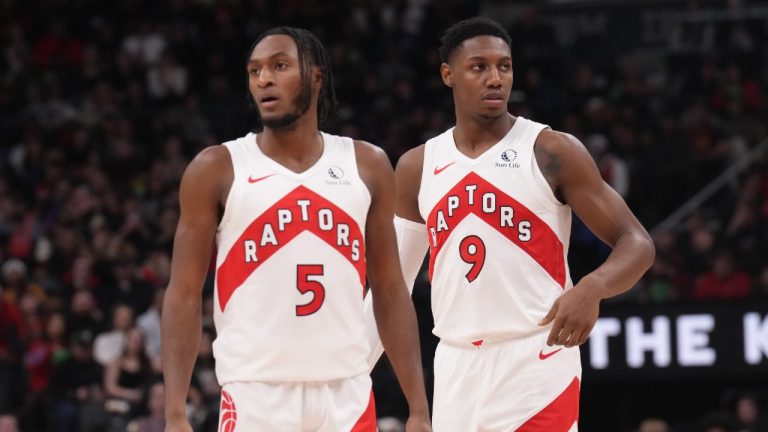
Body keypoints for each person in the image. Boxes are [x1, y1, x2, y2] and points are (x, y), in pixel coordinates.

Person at [365, 17, 655, 431]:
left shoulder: (550, 151)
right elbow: (392, 286)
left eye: (504, 66)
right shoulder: (417, 166)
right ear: (448, 74)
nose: (495, 78)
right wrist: (380, 386)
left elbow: (638, 243)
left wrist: (593, 286)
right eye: (479, 66)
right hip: (455, 364)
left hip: (536, 359)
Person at [161, 27, 431, 432]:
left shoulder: (367, 164)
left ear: (316, 77)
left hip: (347, 392)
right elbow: (182, 295)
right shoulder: (217, 167)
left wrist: (418, 409)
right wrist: (175, 413)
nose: (264, 79)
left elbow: (391, 291)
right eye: (255, 71)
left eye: (279, 66)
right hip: (256, 394)